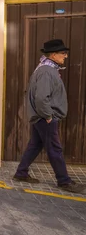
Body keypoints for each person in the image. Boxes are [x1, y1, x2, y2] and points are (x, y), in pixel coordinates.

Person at [13, 39, 84, 193]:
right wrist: (48, 115)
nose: (65, 56)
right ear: (53, 55)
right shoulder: (46, 71)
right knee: (55, 148)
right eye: (63, 53)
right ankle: (64, 181)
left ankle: (21, 173)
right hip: (44, 117)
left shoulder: (46, 69)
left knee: (35, 145)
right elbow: (41, 97)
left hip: (41, 117)